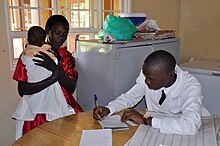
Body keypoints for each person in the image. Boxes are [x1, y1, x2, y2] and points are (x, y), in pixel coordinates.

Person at [93, 50, 204, 135]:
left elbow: (191, 126)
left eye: (150, 78)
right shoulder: (149, 75)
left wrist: (147, 121)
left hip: (179, 132)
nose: (146, 81)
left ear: (168, 76)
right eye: (145, 76)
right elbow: (131, 97)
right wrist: (109, 108)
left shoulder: (190, 86)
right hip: (153, 130)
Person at [12, 15, 83, 140]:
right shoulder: (30, 55)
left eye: (64, 34)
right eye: (57, 33)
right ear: (47, 31)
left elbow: (71, 87)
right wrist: (53, 78)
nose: (60, 38)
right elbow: (22, 90)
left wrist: (53, 68)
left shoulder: (66, 58)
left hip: (61, 108)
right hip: (35, 110)